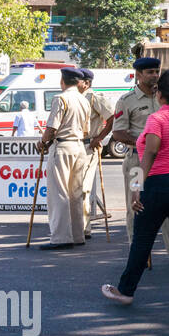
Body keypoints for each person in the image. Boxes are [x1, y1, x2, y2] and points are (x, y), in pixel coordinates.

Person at [101, 71, 169, 309]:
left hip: (159, 184)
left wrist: (136, 187)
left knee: (142, 240)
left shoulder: (157, 119)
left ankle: (126, 291)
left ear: (160, 94)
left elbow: (149, 153)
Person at [112, 57, 169, 264]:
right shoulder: (126, 101)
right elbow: (118, 133)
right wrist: (145, 142)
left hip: (165, 162)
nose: (154, 75)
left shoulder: (167, 97)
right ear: (138, 75)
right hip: (137, 161)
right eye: (150, 72)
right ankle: (139, 254)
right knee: (136, 206)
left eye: (156, 71)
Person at [37, 67, 91, 250]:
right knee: (75, 193)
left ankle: (60, 237)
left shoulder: (60, 98)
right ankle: (77, 235)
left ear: (62, 81)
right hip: (79, 146)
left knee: (59, 192)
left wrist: (43, 142)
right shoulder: (84, 100)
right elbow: (86, 130)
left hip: (63, 146)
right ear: (77, 82)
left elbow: (52, 127)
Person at [77, 69, 114, 237]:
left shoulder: (95, 98)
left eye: (78, 80)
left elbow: (112, 118)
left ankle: (84, 228)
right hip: (73, 146)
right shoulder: (72, 98)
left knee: (84, 189)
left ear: (87, 83)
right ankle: (76, 226)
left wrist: (99, 137)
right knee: (73, 189)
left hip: (88, 146)